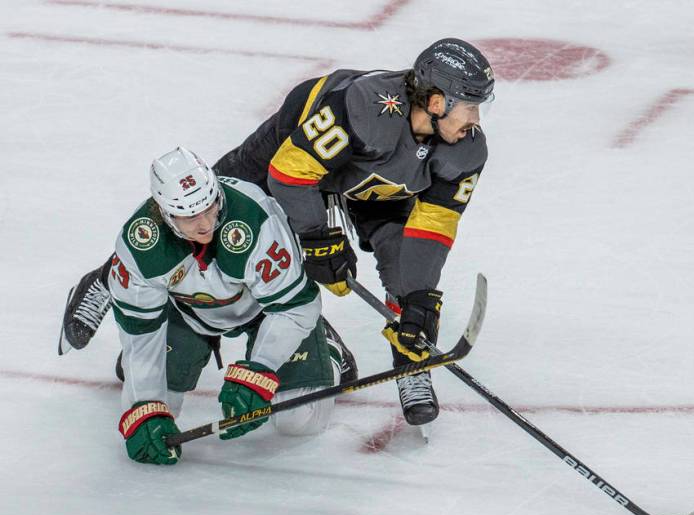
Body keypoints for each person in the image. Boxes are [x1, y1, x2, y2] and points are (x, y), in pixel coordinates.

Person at [59, 37, 495, 427]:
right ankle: (107, 278)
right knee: (205, 218)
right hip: (289, 154)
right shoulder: (365, 106)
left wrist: (418, 297)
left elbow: (435, 223)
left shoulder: (466, 150)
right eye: (471, 106)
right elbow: (290, 175)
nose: (476, 120)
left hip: (375, 186)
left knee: (405, 272)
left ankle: (410, 364)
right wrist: (316, 238)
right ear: (436, 101)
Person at [113, 147, 341, 465]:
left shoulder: (254, 217)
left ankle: (327, 349)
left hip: (267, 310)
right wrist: (143, 406)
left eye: (209, 207)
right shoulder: (141, 245)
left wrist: (258, 370)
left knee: (301, 421)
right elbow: (140, 333)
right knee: (157, 409)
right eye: (190, 215)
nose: (206, 224)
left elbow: (295, 306)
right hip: (189, 314)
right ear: (164, 212)